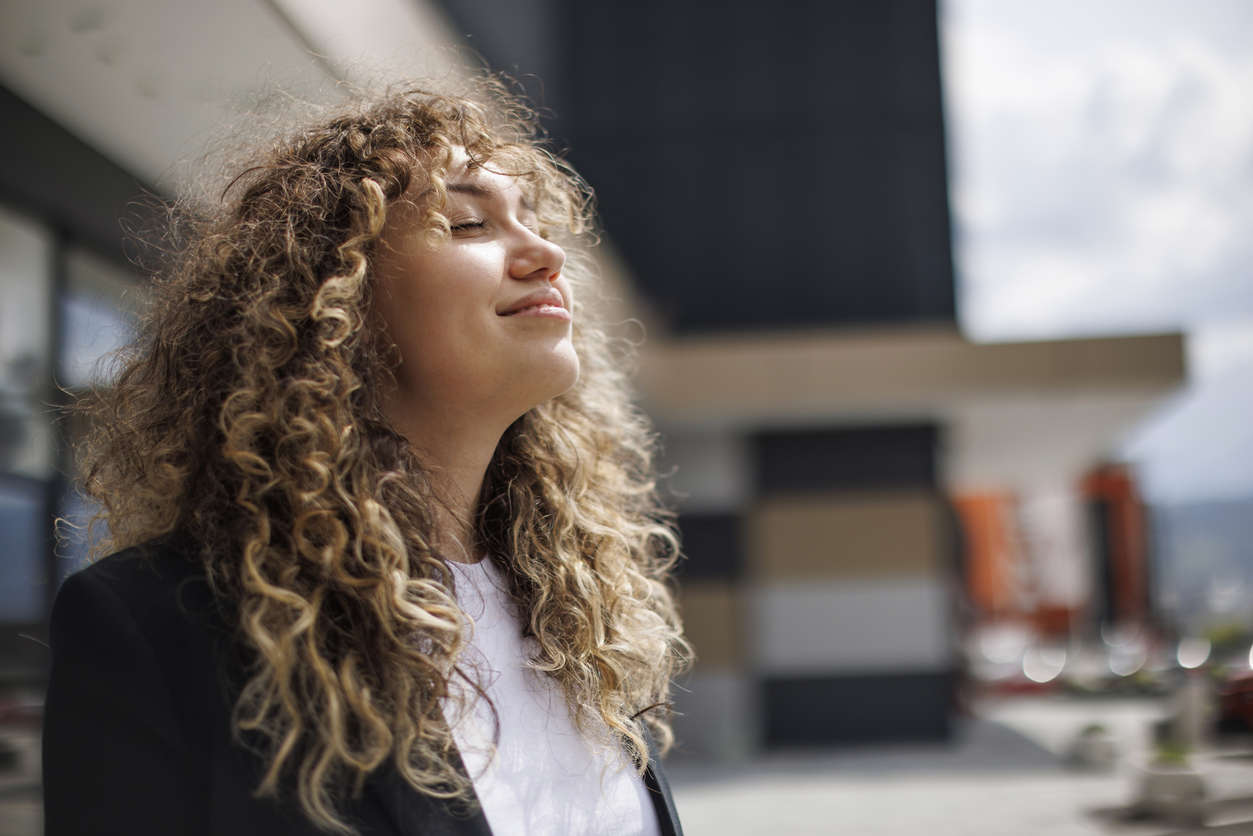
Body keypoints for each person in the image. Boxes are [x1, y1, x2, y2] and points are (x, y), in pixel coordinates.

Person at [42, 78, 690, 836]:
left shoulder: (572, 618)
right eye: (469, 223)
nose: (546, 253)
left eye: (538, 222)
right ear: (336, 298)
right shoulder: (161, 626)